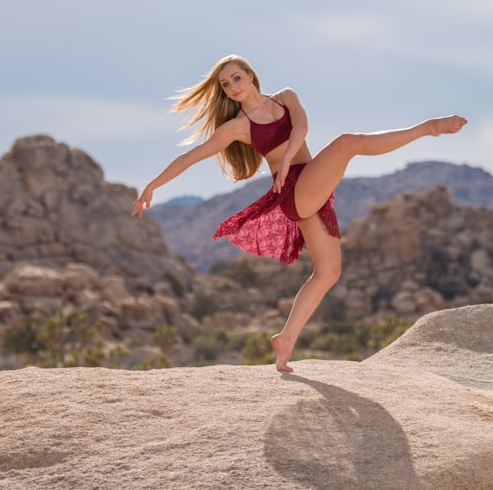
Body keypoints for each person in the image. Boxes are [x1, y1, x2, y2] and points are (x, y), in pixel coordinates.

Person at [132, 55, 467, 372]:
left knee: (328, 272)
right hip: (295, 192)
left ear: (251, 76)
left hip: (310, 184)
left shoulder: (285, 97)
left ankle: (285, 339)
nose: (233, 86)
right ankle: (428, 128)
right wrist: (153, 184)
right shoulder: (237, 127)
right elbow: (191, 156)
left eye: (237, 78)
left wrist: (288, 158)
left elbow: (301, 129)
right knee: (349, 143)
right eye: (225, 84)